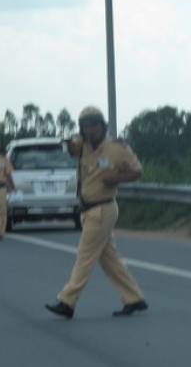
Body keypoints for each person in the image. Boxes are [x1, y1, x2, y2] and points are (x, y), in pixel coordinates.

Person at [45, 106, 148, 319]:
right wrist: (66, 144)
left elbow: (137, 171)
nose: (90, 130)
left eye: (94, 125)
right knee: (109, 259)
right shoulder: (82, 145)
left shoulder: (117, 148)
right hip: (88, 209)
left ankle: (67, 301)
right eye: (85, 126)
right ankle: (134, 298)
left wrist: (116, 178)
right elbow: (72, 147)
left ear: (102, 126)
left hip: (103, 209)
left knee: (84, 257)